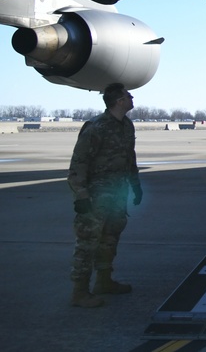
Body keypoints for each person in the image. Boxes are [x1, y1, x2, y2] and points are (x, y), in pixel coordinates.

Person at [67, 83, 143, 307]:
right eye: (128, 96)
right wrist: (80, 195)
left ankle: (103, 281)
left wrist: (135, 185)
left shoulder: (126, 126)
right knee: (88, 242)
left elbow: (130, 158)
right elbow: (78, 164)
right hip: (96, 196)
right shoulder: (96, 128)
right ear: (119, 101)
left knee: (110, 239)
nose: (132, 99)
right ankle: (79, 292)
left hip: (118, 194)